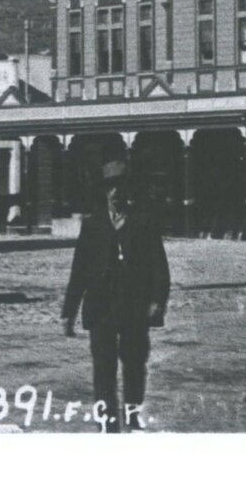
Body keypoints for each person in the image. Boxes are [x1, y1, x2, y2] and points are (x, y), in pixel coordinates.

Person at [61, 160, 172, 432]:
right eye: (110, 187)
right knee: (103, 372)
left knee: (135, 368)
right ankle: (107, 427)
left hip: (134, 307)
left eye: (120, 187)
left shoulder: (143, 222)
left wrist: (157, 302)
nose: (115, 193)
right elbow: (79, 271)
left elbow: (160, 267)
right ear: (104, 192)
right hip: (101, 309)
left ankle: (132, 420)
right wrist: (69, 311)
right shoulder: (93, 226)